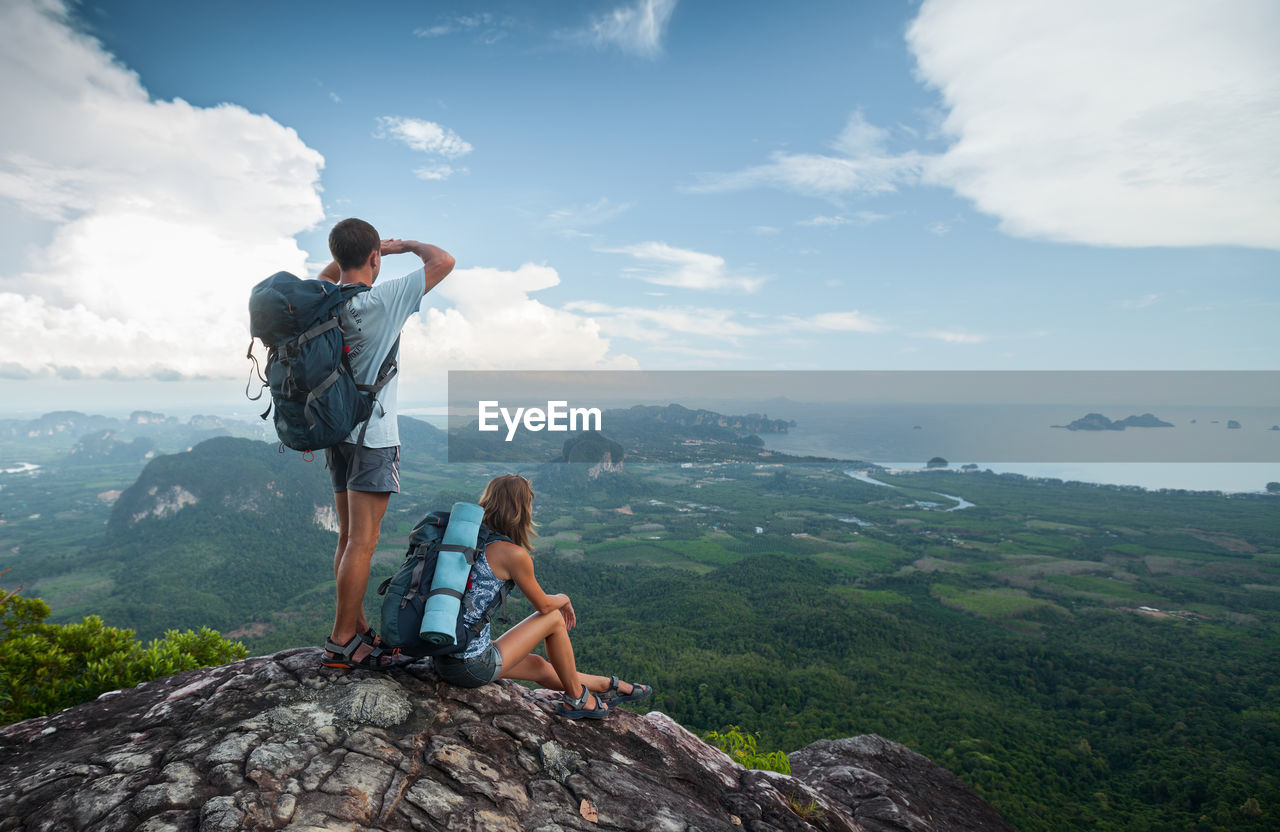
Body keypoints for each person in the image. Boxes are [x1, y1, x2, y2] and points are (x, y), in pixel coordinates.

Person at [319, 218, 455, 670]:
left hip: (336, 432)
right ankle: (341, 640)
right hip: (373, 437)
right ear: (375, 257)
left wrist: (355, 256)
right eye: (377, 255)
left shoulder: (324, 298)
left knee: (347, 536)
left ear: (338, 258)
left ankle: (353, 626)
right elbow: (444, 261)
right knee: (364, 542)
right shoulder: (383, 299)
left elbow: (327, 275)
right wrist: (405, 246)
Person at [434, 474, 652, 719]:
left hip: (444, 657)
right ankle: (577, 698)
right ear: (520, 509)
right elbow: (544, 605)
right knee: (554, 619)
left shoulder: (464, 540)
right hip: (469, 665)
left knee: (538, 665)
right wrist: (564, 597)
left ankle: (607, 685)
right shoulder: (512, 554)